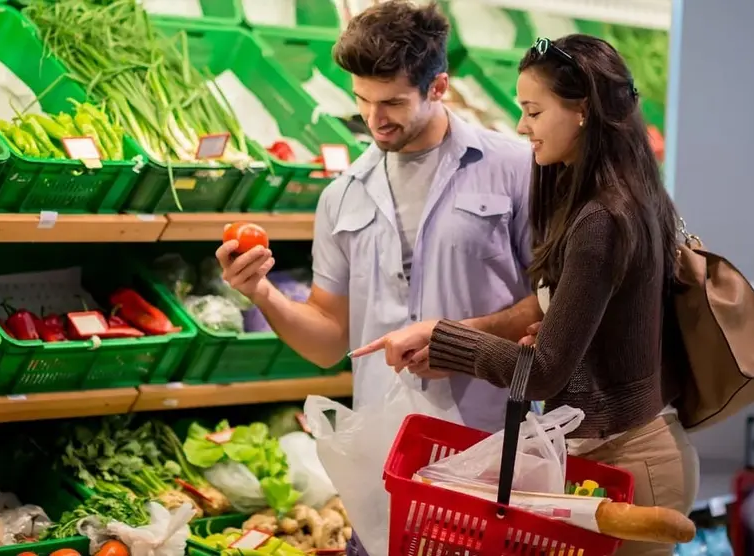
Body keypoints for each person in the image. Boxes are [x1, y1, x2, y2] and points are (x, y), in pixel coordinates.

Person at [353, 35, 699, 556]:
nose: (521, 127)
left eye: (533, 111)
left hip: (632, 464)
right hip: (612, 453)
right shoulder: (621, 194)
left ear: (582, 111)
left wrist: (446, 340)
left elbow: (543, 373)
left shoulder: (601, 217)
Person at [216, 0, 540, 435]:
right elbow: (329, 340)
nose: (374, 119)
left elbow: (551, 301)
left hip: (492, 436)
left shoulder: (516, 168)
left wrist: (459, 344)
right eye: (361, 100)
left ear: (438, 87)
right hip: (385, 443)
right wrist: (261, 292)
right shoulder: (343, 195)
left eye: (392, 102)